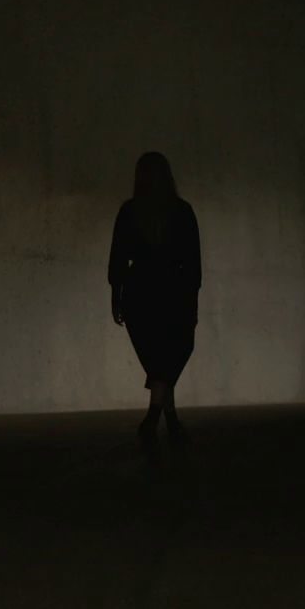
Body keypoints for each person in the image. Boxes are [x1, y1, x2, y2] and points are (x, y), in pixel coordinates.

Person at [108, 151, 202, 458]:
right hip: (173, 292)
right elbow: (192, 264)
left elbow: (118, 259)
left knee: (160, 361)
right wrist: (193, 303)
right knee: (169, 358)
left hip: (140, 293)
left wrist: (117, 297)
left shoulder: (129, 212)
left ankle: (162, 420)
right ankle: (161, 420)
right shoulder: (182, 212)